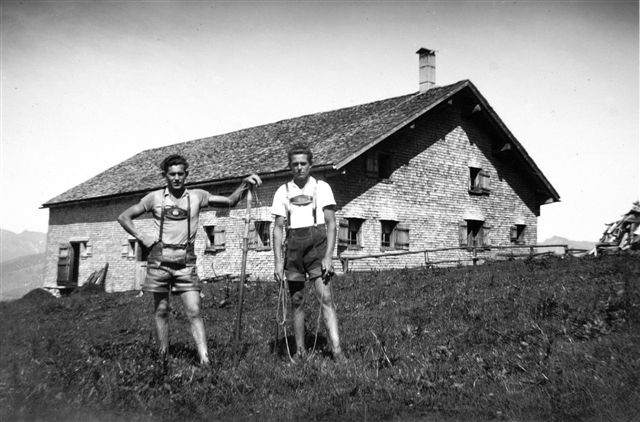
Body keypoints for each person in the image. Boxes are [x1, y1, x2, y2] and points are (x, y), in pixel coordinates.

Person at [118, 154, 261, 366]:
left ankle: (205, 360)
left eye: (180, 174)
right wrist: (143, 238)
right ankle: (163, 358)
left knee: (194, 310)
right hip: (159, 260)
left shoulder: (197, 196)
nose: (176, 178)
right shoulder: (154, 198)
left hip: (186, 261)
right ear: (165, 175)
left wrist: (244, 184)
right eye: (172, 174)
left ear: (186, 175)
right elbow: (124, 217)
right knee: (161, 310)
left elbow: (230, 201)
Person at [272, 144, 345, 362]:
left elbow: (332, 223)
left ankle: (337, 350)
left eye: (303, 163)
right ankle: (300, 350)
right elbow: (277, 228)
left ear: (310, 165)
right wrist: (277, 261)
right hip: (293, 250)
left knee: (326, 297)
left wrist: (328, 256)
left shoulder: (321, 188)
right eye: (295, 164)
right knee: (297, 301)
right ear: (290, 167)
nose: (299, 168)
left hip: (317, 248)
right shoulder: (283, 191)